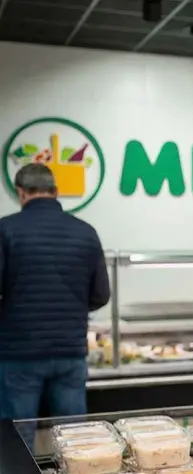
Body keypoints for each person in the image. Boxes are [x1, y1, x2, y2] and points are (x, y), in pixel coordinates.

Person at [0, 163, 110, 448]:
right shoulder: (86, 232)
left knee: (18, 439)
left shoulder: (6, 230)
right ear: (56, 192)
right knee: (74, 438)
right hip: (70, 352)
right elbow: (101, 295)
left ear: (21, 192)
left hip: (19, 354)